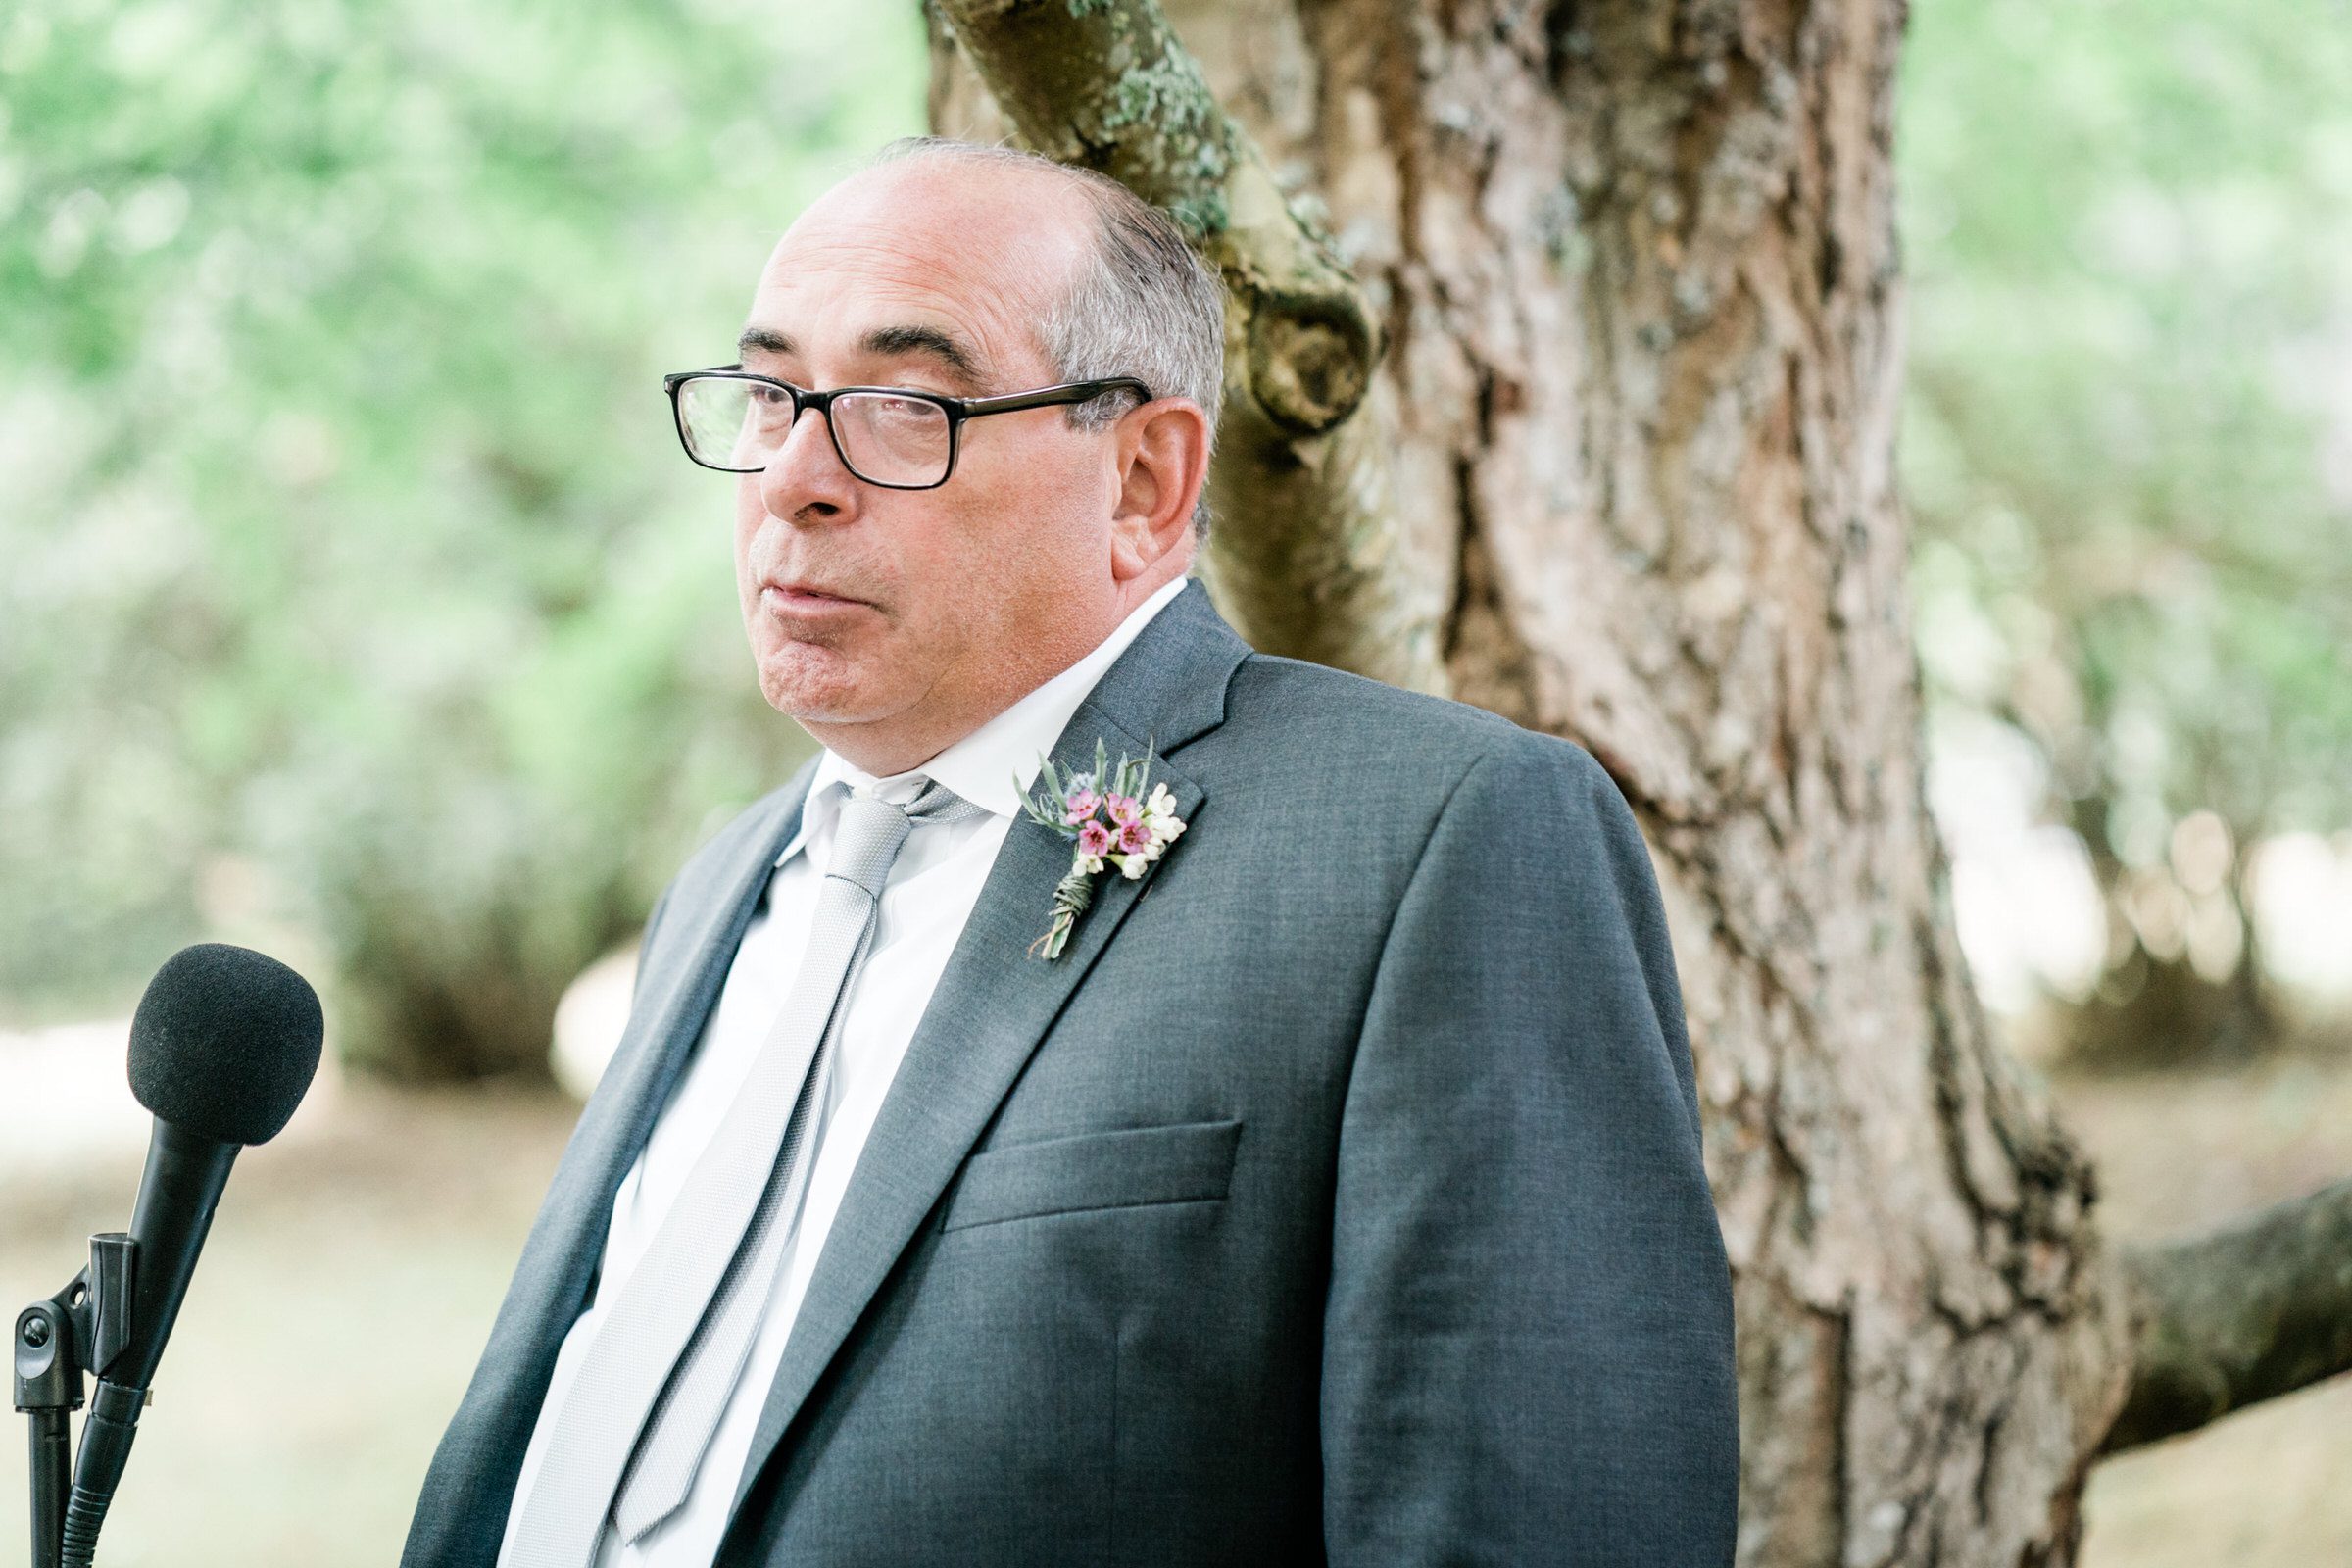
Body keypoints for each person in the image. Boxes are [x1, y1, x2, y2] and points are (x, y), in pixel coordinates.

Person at [402, 135, 1739, 1568]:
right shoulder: (732, 881)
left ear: (1147, 481)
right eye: (774, 395)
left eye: (906, 404)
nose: (795, 478)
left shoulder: (1432, 841)